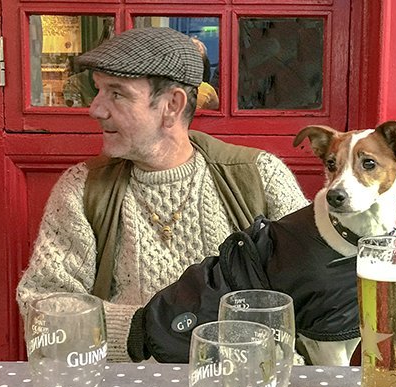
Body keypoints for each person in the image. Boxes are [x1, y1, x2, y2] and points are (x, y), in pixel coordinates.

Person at [16, 26, 309, 362]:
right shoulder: (81, 188)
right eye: (97, 91)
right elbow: (40, 307)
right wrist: (142, 330)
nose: (95, 109)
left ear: (172, 104)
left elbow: (317, 293)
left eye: (116, 93)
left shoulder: (259, 176)